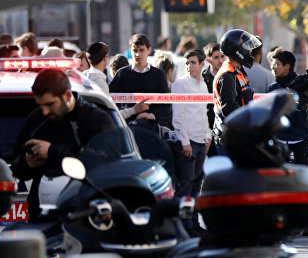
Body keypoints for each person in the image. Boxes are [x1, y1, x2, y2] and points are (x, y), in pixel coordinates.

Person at [9, 69, 114, 220]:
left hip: (87, 215)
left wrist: (53, 152)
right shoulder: (37, 120)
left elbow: (107, 163)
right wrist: (26, 162)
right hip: (42, 216)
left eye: (50, 104)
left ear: (67, 95)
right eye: (41, 105)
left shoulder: (95, 119)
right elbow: (16, 165)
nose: (45, 111)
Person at [110, 34, 173, 131]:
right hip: (127, 129)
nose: (137, 54)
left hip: (151, 130)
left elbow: (166, 105)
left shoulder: (159, 75)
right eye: (135, 50)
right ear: (130, 51)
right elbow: (111, 102)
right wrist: (132, 110)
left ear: (149, 50)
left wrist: (152, 115)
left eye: (141, 50)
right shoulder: (121, 74)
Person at [171, 49, 212, 198]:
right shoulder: (180, 84)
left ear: (202, 64)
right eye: (187, 63)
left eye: (193, 63)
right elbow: (177, 116)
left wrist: (208, 136)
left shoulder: (204, 86)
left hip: (201, 141)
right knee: (186, 186)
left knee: (197, 186)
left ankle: (194, 214)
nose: (189, 66)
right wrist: (185, 142)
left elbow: (203, 113)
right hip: (188, 143)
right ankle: (183, 214)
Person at [268, 50, 308, 167]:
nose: (273, 67)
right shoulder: (272, 88)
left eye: (277, 64)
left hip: (301, 142)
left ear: (287, 66)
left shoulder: (303, 84)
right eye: (273, 64)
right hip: (279, 142)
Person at [212, 29, 259, 142]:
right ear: (238, 50)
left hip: (237, 135)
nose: (250, 51)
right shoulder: (227, 75)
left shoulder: (236, 71)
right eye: (247, 47)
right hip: (229, 138)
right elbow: (229, 109)